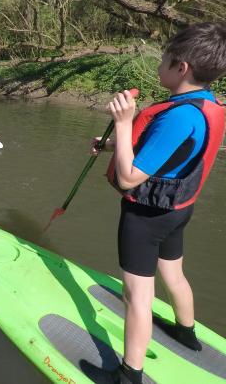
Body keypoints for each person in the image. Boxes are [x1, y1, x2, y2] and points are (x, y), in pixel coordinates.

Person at [92, 22, 226, 384]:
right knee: (174, 274)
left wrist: (122, 125)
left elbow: (128, 178)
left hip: (147, 217)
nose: (160, 64)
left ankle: (129, 374)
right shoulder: (207, 103)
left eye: (165, 59)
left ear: (181, 67)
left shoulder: (180, 116)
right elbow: (171, 155)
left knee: (137, 295)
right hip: (178, 211)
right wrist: (110, 145)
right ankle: (186, 332)